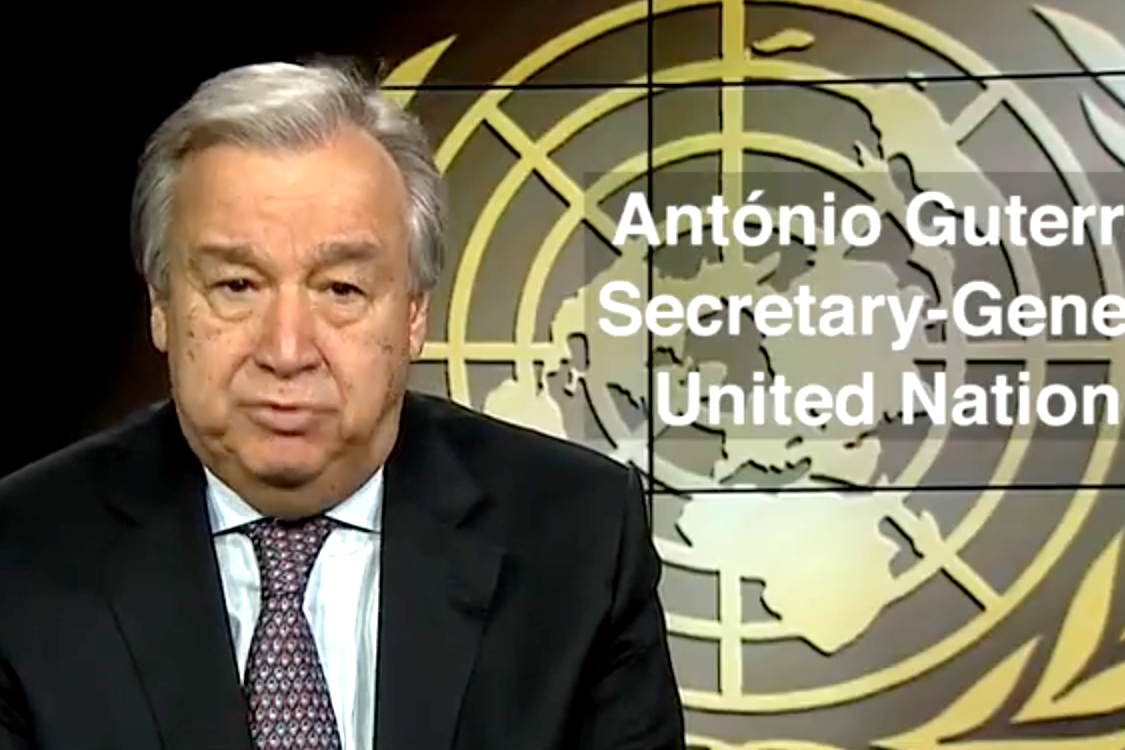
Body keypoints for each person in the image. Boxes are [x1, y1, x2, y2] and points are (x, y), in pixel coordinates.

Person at [0, 61, 684, 750]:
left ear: (413, 314)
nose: (287, 350)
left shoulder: (577, 542)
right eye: (237, 286)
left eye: (341, 290)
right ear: (161, 305)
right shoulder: (21, 555)